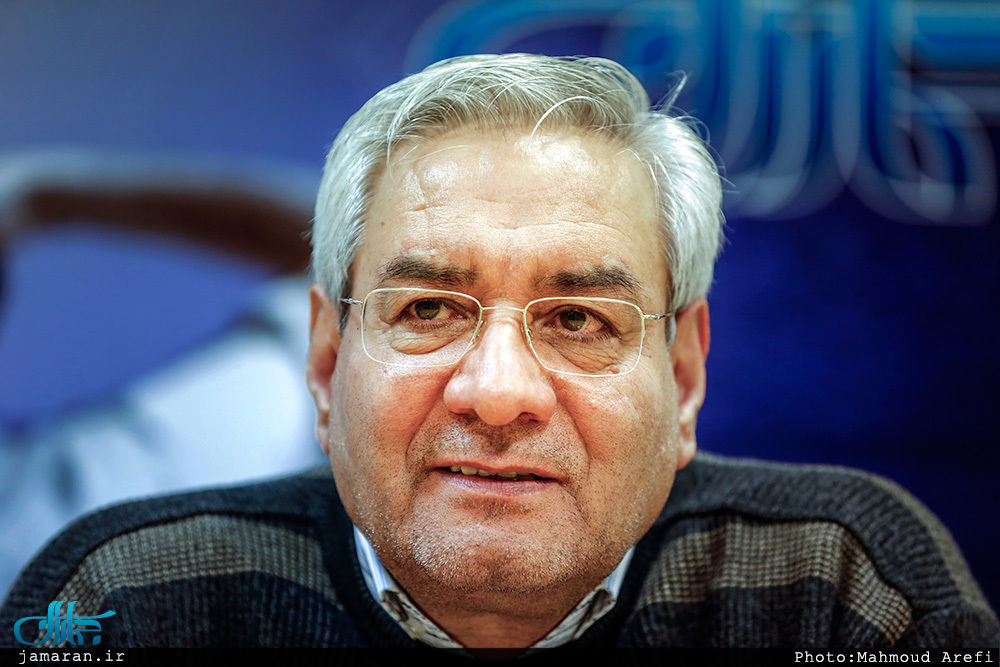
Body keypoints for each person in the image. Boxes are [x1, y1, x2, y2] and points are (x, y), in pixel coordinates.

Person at [1, 53, 997, 650]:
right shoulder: (124, 597)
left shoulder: (843, 587)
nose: (497, 391)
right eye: (430, 308)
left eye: (579, 320)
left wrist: (44, 188)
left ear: (685, 377)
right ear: (326, 367)